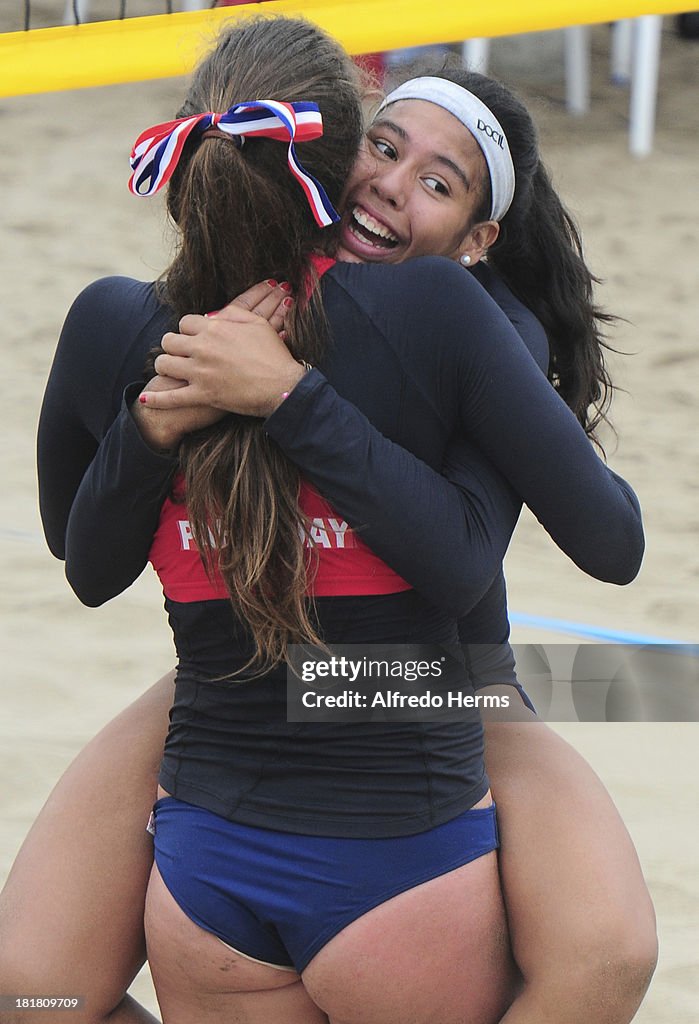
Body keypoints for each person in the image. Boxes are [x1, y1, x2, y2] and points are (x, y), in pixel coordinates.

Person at [0, 18, 655, 1024]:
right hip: (247, 680)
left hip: (443, 678)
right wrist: (166, 420)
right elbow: (85, 553)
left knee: (609, 948)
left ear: (479, 244)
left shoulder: (476, 321)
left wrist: (289, 397)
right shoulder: (182, 321)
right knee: (29, 984)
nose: (394, 186)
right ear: (327, 157)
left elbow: (504, 556)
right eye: (386, 151)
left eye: (440, 184)